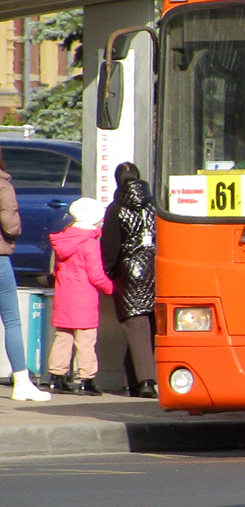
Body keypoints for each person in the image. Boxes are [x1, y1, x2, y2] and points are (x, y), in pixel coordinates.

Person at [47, 198, 115, 396]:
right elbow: (96, 275)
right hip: (84, 298)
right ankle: (86, 379)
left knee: (63, 337)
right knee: (85, 341)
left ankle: (56, 377)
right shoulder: (89, 243)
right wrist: (111, 288)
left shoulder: (63, 239)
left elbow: (56, 270)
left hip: (64, 295)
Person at [102, 163, 158, 398]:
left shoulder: (115, 208)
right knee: (148, 326)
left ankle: (146, 381)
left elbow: (110, 247)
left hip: (129, 273)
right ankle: (131, 380)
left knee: (136, 326)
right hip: (155, 269)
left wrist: (110, 271)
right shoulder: (155, 206)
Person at [0, 144, 50, 401]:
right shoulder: (2, 184)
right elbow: (10, 223)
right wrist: (14, 232)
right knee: (12, 321)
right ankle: (21, 382)